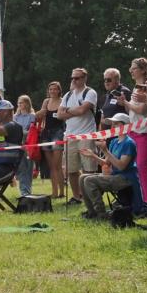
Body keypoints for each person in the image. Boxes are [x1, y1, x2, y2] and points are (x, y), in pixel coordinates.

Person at [78, 112, 138, 220]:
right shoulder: (114, 141)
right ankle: (92, 212)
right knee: (82, 177)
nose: (112, 127)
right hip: (115, 176)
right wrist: (93, 155)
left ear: (125, 126)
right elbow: (107, 163)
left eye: (116, 124)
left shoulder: (129, 143)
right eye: (112, 124)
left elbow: (121, 167)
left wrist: (105, 150)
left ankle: (101, 214)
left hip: (126, 178)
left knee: (89, 180)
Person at [57, 68, 99, 205]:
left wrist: (67, 111)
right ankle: (77, 197)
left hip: (87, 134)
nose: (74, 80)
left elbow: (83, 110)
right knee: (71, 170)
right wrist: (72, 111)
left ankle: (92, 198)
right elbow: (59, 114)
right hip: (70, 136)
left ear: (84, 78)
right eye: (72, 78)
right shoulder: (68, 95)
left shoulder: (90, 92)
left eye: (77, 78)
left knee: (89, 169)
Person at [123, 59, 147, 204]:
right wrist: (126, 103)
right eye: (130, 68)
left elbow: (141, 110)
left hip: (145, 133)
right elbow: (133, 112)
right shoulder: (136, 87)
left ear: (143, 70)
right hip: (133, 131)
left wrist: (124, 102)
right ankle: (135, 200)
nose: (131, 70)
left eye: (134, 68)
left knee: (143, 168)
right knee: (133, 168)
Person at [37, 81, 67, 199]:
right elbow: (40, 114)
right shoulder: (46, 101)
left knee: (57, 165)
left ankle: (62, 192)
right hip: (46, 133)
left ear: (59, 90)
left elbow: (64, 117)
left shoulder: (63, 101)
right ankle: (54, 192)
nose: (53, 91)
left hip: (58, 133)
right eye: (51, 89)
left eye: (55, 89)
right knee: (51, 166)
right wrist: (38, 113)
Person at [13, 95, 36, 197]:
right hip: (18, 144)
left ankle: (27, 191)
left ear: (27, 103)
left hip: (28, 144)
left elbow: (31, 131)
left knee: (29, 168)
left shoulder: (32, 116)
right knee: (21, 168)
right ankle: (24, 191)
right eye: (19, 103)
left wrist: (22, 132)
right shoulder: (15, 117)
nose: (19, 105)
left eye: (21, 102)